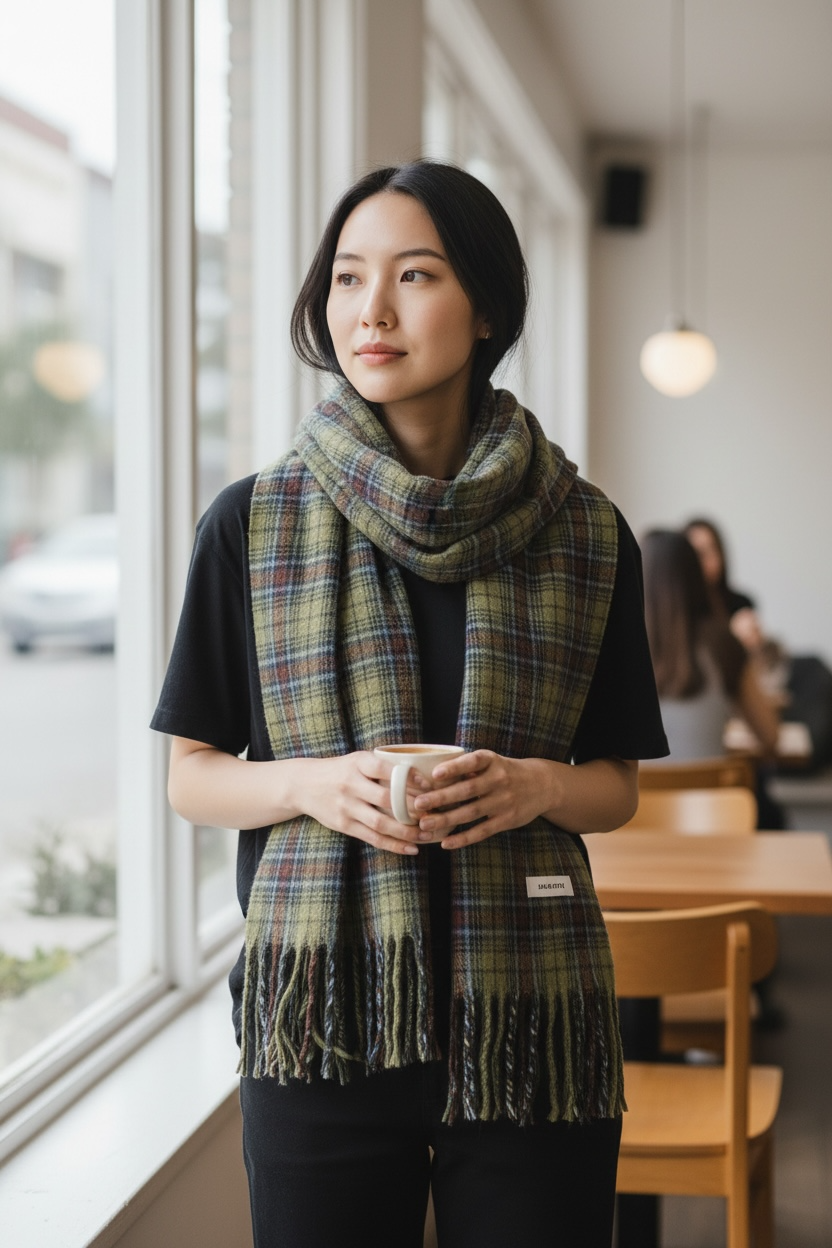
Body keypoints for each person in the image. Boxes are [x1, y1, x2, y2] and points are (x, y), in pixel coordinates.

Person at [151, 160, 668, 1248]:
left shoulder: (585, 532)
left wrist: (535, 784)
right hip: (326, 1023)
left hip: (532, 1022)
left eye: (413, 275)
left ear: (486, 307)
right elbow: (192, 777)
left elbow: (615, 786)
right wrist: (317, 787)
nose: (369, 311)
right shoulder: (250, 524)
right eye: (345, 278)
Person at [641, 528, 778, 762]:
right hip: (712, 797)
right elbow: (770, 736)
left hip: (642, 798)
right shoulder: (722, 642)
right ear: (696, 576)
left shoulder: (614, 652)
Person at [684, 515, 764, 655]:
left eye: (712, 549)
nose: (708, 559)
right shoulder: (681, 611)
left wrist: (756, 643)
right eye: (699, 553)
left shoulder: (741, 604)